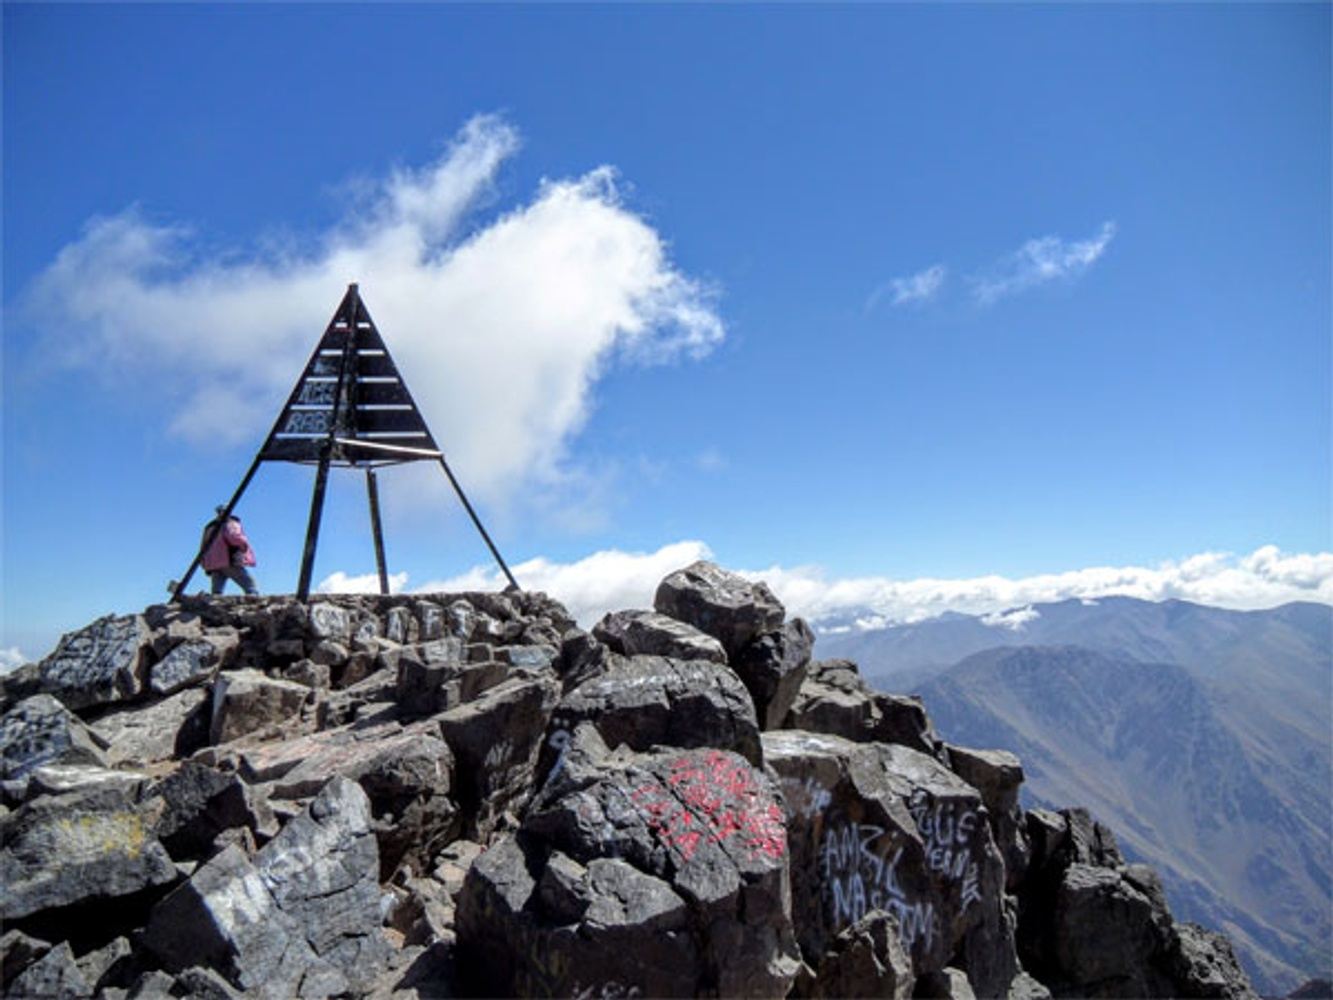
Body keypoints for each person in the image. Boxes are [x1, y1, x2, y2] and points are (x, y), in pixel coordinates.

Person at [201, 505, 259, 596]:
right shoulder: (230, 523)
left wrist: (204, 562)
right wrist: (244, 546)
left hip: (213, 563)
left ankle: (215, 601)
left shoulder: (209, 527)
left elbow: (203, 545)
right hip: (229, 559)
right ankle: (253, 597)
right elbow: (235, 538)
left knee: (217, 588)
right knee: (248, 583)